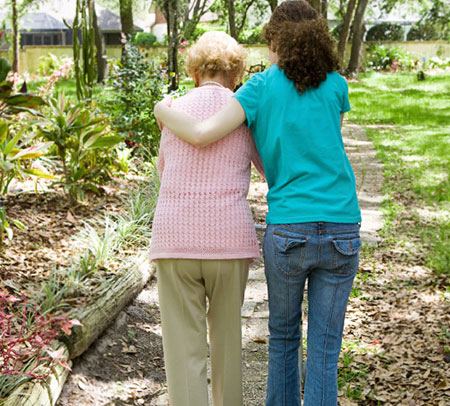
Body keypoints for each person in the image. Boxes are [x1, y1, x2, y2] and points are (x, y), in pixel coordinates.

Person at [153, 2, 361, 405]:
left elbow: (199, 134)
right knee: (324, 346)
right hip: (341, 225)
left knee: (283, 337)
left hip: (289, 229)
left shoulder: (261, 89)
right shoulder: (337, 84)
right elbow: (322, 147)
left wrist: (165, 108)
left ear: (276, 42)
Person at [149, 31, 264, 406]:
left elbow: (164, 173)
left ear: (195, 72)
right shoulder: (244, 111)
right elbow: (268, 169)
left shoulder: (172, 111)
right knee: (228, 342)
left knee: (184, 351)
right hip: (229, 239)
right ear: (236, 75)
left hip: (175, 238)